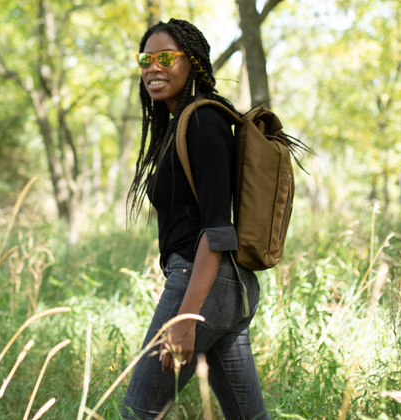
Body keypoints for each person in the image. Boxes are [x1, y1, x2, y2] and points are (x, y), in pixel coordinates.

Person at [122, 19, 269, 420]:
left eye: (166, 57)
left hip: (203, 282)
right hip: (226, 288)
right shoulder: (181, 123)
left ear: (194, 63)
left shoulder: (203, 122)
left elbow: (218, 229)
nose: (154, 67)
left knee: (139, 412)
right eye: (146, 59)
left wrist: (186, 318)